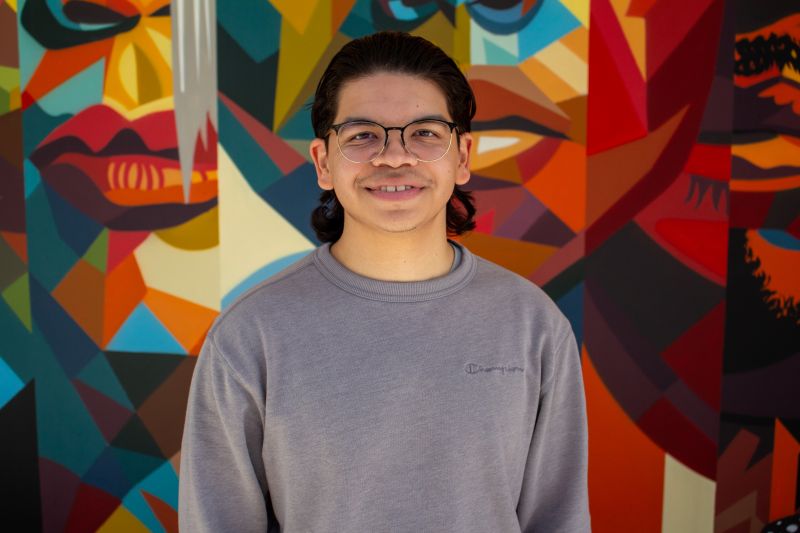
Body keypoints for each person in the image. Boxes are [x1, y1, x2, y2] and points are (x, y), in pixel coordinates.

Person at [179, 31, 590, 532]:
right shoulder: (249, 337)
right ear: (323, 162)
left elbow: (560, 520)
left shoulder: (535, 325)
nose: (394, 157)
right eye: (361, 135)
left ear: (462, 157)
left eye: (425, 133)